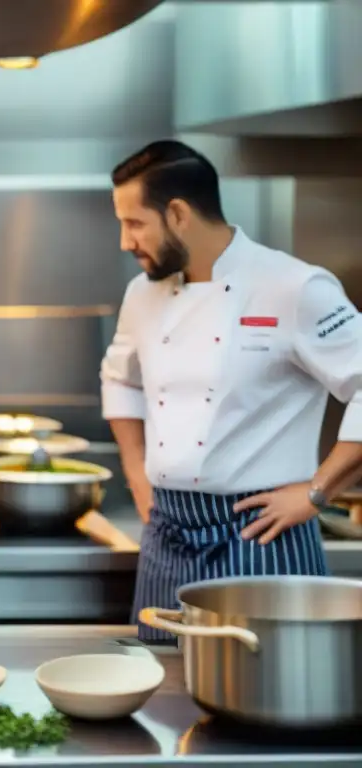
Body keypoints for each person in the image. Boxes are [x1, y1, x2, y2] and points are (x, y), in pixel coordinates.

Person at [100, 140, 362, 642]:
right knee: (160, 686)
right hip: (167, 533)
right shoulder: (142, 294)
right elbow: (120, 379)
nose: (124, 241)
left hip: (262, 532)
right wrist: (137, 476)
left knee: (273, 691)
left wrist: (317, 492)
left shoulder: (294, 287)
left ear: (177, 214)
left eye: (134, 223)